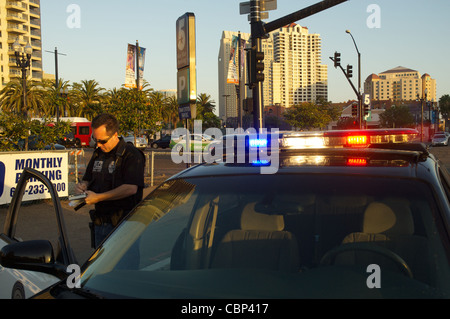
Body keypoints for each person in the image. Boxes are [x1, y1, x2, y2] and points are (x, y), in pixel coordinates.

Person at [76, 113, 145, 248]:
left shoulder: (131, 155)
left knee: (124, 267)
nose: (98, 145)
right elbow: (87, 179)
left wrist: (99, 197)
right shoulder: (98, 153)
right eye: (95, 140)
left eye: (102, 141)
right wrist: (82, 186)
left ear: (114, 135)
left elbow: (131, 188)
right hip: (100, 224)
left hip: (124, 226)